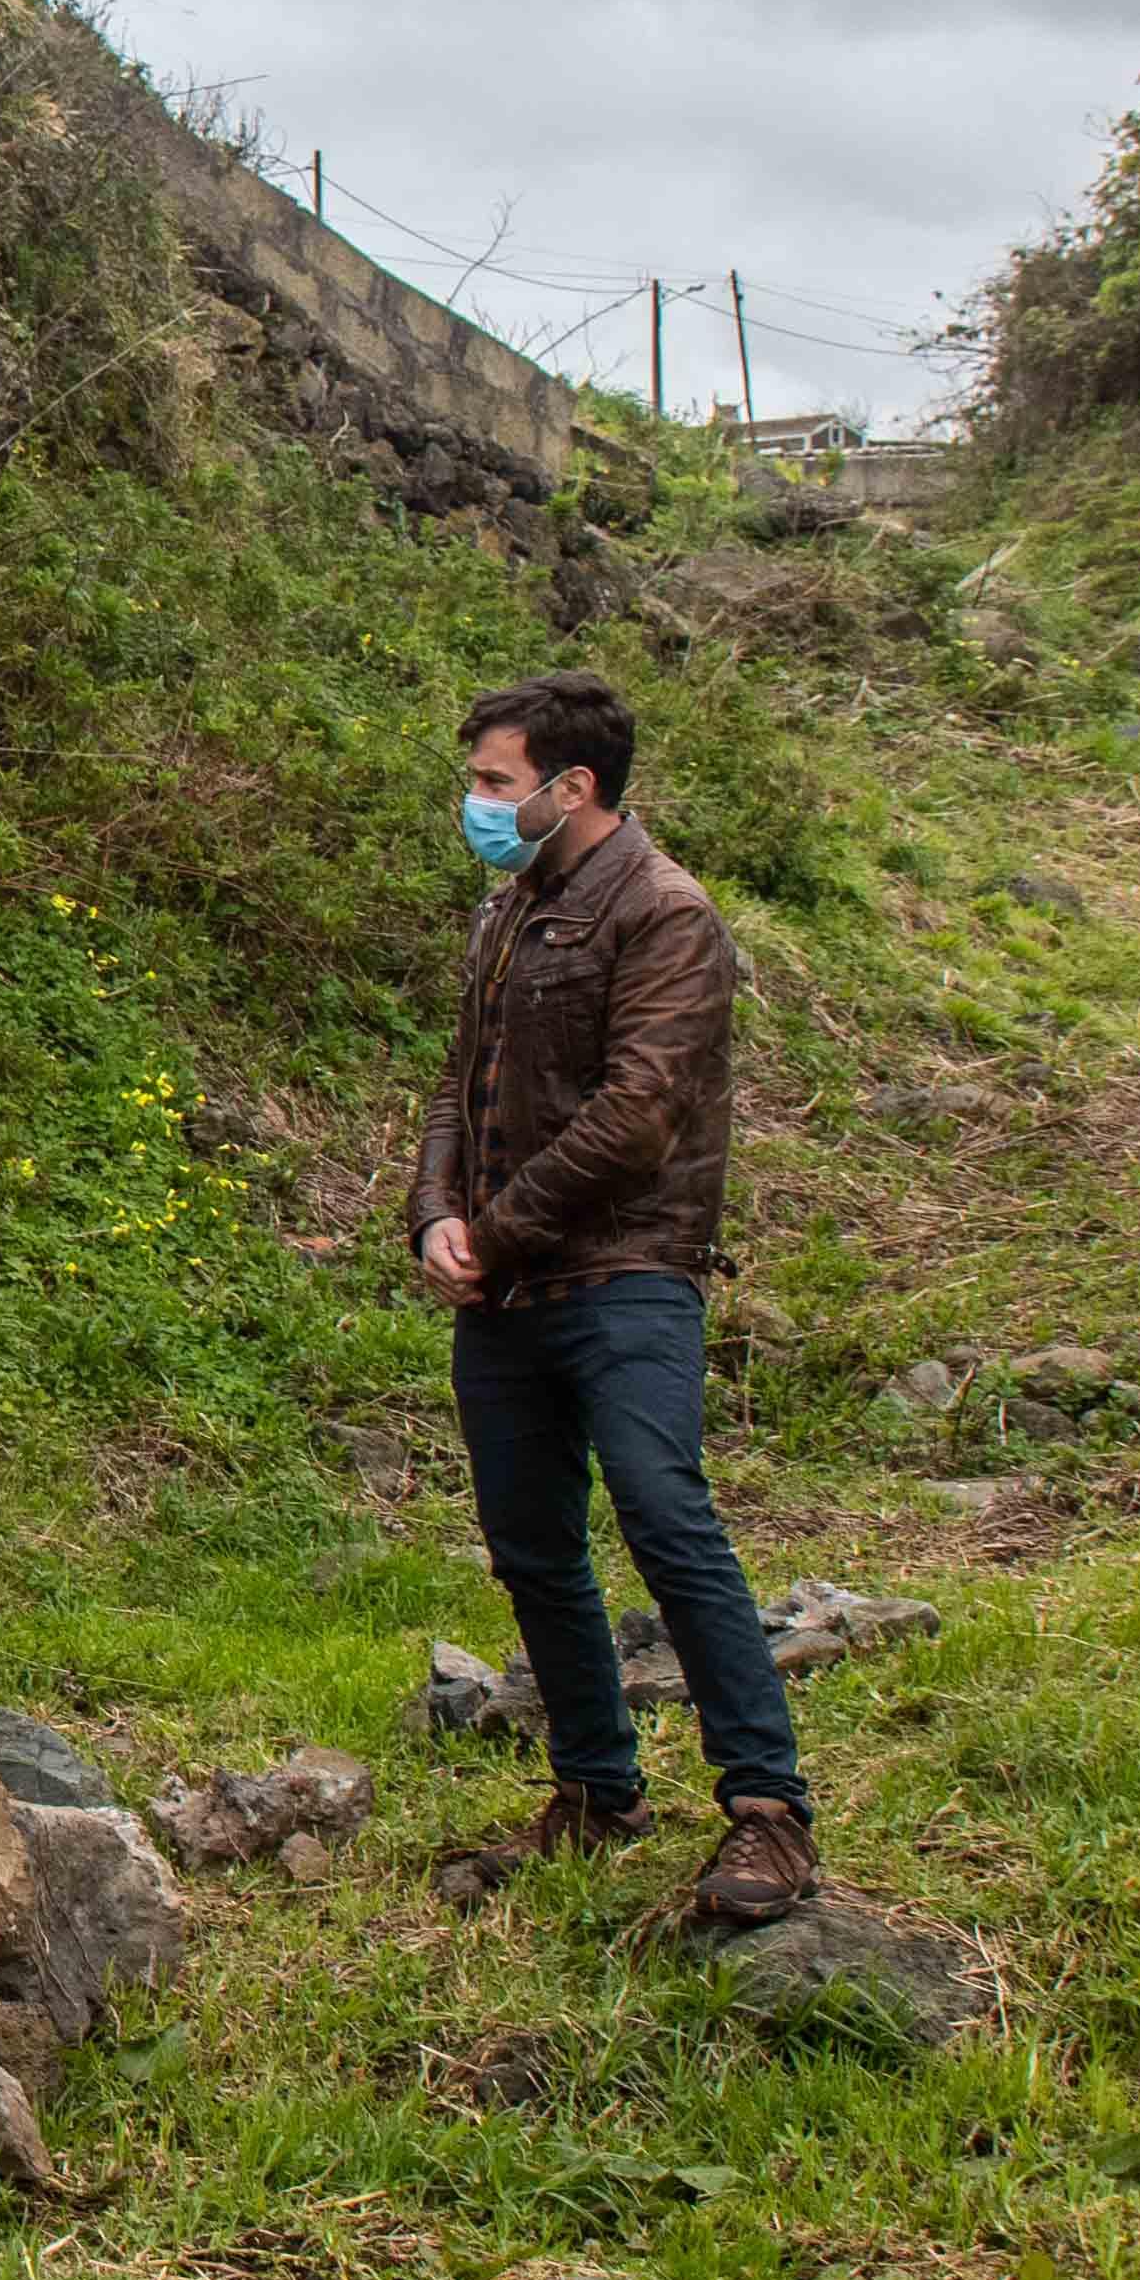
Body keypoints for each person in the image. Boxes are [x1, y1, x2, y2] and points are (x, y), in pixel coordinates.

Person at [412, 668, 817, 1924]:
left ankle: (767, 1810)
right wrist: (430, 1213)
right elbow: (453, 1086)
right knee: (532, 1544)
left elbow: (639, 1115)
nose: (475, 801)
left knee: (662, 1512)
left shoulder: (666, 914)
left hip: (629, 1272)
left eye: (492, 781)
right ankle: (595, 1788)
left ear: (569, 786)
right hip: (505, 1290)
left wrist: (498, 1222)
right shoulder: (504, 912)